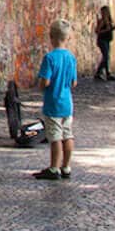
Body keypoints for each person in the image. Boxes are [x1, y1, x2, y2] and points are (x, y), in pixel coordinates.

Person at [33, 19, 78, 180]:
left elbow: (45, 81)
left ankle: (54, 168)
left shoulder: (49, 58)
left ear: (51, 37)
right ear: (67, 38)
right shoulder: (71, 58)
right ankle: (66, 166)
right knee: (68, 135)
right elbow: (74, 82)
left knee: (55, 137)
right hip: (67, 103)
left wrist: (41, 86)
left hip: (53, 103)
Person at [93, 5, 115, 81]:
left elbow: (110, 28)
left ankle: (106, 73)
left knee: (106, 57)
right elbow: (97, 31)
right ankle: (100, 73)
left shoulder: (108, 20)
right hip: (102, 40)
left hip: (107, 40)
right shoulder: (102, 21)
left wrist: (112, 28)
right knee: (106, 57)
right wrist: (107, 30)